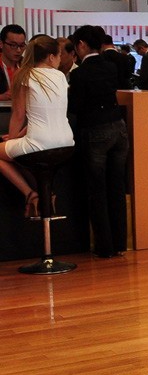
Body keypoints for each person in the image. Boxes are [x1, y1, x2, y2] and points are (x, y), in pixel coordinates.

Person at [68, 25, 129, 258]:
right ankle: (120, 243)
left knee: (97, 190)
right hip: (118, 128)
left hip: (95, 131)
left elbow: (75, 106)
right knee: (117, 188)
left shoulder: (79, 73)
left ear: (81, 45)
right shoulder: (111, 66)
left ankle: (104, 246)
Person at [0, 36, 76, 217]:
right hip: (66, 143)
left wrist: (12, 139)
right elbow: (47, 116)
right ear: (51, 57)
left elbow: (19, 115)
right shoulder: (61, 77)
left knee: (10, 154)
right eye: (59, 56)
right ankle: (46, 193)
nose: (60, 60)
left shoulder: (24, 75)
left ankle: (31, 194)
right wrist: (18, 137)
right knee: (26, 153)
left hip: (39, 144)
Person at [1, 24, 27, 101]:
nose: (19, 50)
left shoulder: (27, 65)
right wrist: (1, 97)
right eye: (13, 45)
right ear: (1, 44)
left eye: (22, 45)